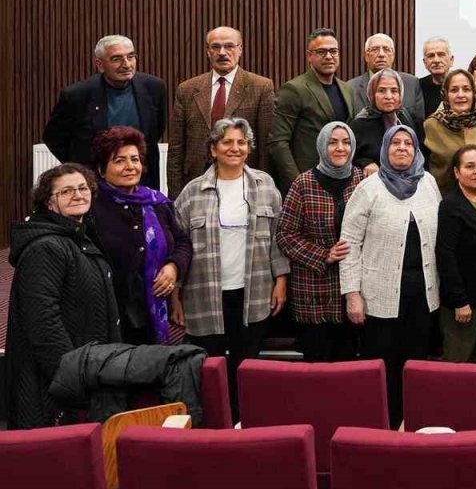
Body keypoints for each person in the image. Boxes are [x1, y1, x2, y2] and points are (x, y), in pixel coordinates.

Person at [173, 118, 289, 415]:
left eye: (241, 143)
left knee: (245, 366)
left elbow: (278, 238)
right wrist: (175, 296)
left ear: (248, 149)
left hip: (253, 293)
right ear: (213, 149)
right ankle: (211, 424)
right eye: (227, 142)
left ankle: (242, 423)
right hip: (204, 296)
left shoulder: (265, 187)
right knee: (208, 368)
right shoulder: (191, 193)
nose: (234, 149)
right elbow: (178, 247)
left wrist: (281, 281)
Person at [340, 125, 442, 425]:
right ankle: (383, 431)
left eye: (407, 143)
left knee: (417, 368)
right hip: (379, 298)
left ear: (416, 150)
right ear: (385, 149)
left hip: (423, 296)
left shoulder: (429, 183)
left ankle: (414, 430)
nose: (401, 148)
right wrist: (352, 294)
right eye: (395, 143)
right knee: (384, 370)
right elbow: (349, 244)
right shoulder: (369, 188)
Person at [6, 164, 121, 428]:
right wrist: (74, 380)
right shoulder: (46, 247)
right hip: (52, 386)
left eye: (83, 188)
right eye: (66, 191)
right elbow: (43, 324)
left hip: (84, 374)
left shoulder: (78, 238)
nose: (78, 195)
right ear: (49, 202)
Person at [89, 127, 191, 346]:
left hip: (151, 309)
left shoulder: (158, 202)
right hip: (110, 311)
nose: (129, 167)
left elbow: (182, 242)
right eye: (119, 161)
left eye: (134, 159)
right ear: (101, 169)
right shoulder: (91, 208)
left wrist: (173, 267)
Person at [276, 121, 362, 362]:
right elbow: (285, 234)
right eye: (332, 142)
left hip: (352, 289)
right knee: (317, 365)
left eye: (346, 142)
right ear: (322, 146)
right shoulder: (303, 183)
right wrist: (324, 254)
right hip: (313, 291)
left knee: (349, 365)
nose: (340, 148)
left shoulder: (362, 181)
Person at [44, 34, 167, 190]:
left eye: (131, 56)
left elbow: (156, 130)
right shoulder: (77, 95)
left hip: (142, 180)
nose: (127, 64)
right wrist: (84, 166)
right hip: (96, 182)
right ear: (100, 64)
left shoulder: (154, 87)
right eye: (117, 59)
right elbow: (54, 137)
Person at [169, 26, 276, 193]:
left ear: (240, 49)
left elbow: (265, 145)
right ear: (207, 51)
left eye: (229, 46)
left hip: (243, 182)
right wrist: (175, 196)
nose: (222, 52)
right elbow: (176, 148)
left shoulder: (261, 87)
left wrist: (261, 188)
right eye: (216, 47)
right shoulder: (187, 89)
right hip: (195, 182)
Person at [268, 28, 356, 190]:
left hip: (341, 181)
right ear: (309, 56)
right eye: (321, 51)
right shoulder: (294, 89)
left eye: (333, 51)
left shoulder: (347, 89)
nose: (329, 56)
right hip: (308, 181)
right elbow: (278, 142)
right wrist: (297, 182)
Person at [437, 146, 476, 362]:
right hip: (464, 304)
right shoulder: (450, 205)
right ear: (456, 172)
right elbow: (446, 256)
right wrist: (459, 301)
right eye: (469, 166)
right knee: (457, 365)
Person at [423, 69, 476, 193]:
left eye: (466, 89)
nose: (460, 95)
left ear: (475, 93)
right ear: (445, 95)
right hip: (441, 199)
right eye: (454, 90)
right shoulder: (431, 125)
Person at [351, 69, 422, 175]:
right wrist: (365, 163)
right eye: (381, 91)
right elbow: (348, 156)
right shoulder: (359, 124)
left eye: (394, 91)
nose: (388, 96)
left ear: (400, 94)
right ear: (372, 94)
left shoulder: (410, 120)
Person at [348, 33, 425, 125]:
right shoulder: (351, 88)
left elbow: (419, 125)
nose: (381, 54)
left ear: (393, 55)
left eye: (386, 49)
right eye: (375, 49)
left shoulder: (412, 83)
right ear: (366, 56)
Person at [418, 36, 454, 118]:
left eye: (441, 55)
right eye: (431, 56)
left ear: (451, 60)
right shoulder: (418, 86)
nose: (436, 60)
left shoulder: (462, 85)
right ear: (424, 62)